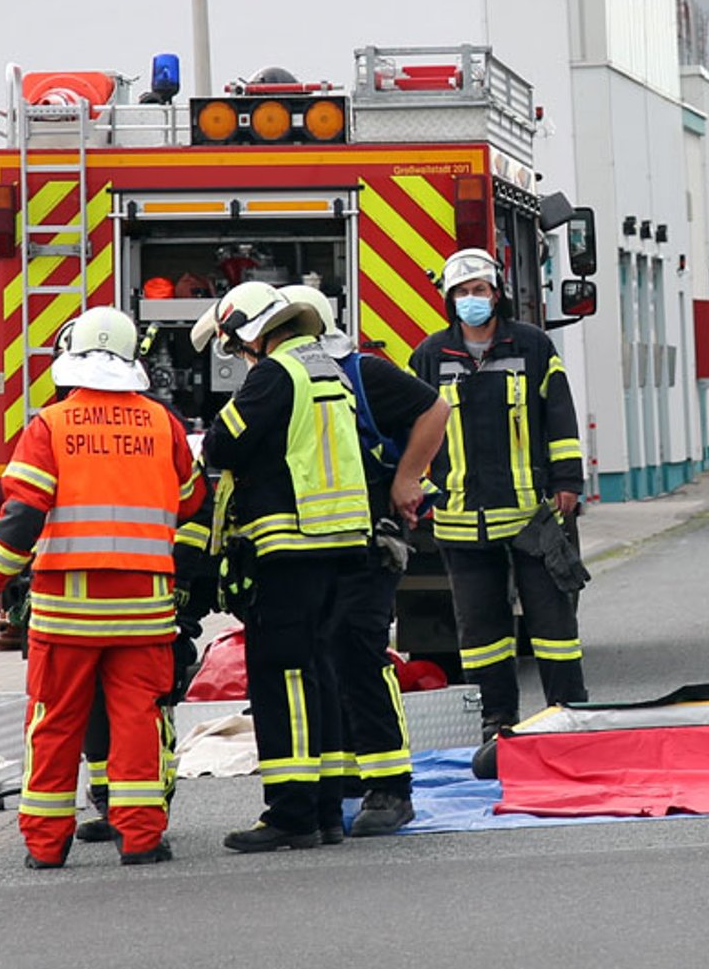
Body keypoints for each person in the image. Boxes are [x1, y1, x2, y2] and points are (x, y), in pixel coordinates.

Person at [0, 307, 203, 868]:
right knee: (138, 719)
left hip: (67, 611)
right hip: (144, 611)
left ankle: (47, 848)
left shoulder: (49, 425)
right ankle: (141, 838)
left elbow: (22, 514)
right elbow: (193, 499)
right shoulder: (161, 422)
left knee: (54, 721)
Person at [199, 281, 371, 851]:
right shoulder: (326, 366)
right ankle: (323, 809)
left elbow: (222, 445)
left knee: (282, 677)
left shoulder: (275, 374)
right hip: (339, 541)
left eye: (236, 345)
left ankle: (291, 813)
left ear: (251, 333)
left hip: (292, 544)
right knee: (317, 670)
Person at [281, 284, 447, 836]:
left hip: (370, 538)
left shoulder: (362, 373)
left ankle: (390, 787)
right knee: (322, 648)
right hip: (314, 544)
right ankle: (349, 772)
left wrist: (407, 479)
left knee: (357, 646)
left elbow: (435, 407)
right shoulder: (286, 381)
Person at [408, 248, 588, 739]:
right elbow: (412, 430)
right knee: (481, 634)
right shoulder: (429, 356)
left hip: (534, 515)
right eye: (463, 293)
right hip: (460, 520)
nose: (472, 300)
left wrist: (568, 482)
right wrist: (423, 490)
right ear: (450, 300)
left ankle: (569, 712)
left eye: (479, 291)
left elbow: (560, 417)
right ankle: (497, 720)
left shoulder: (531, 346)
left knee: (553, 628)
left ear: (497, 293)